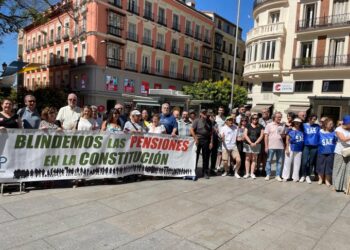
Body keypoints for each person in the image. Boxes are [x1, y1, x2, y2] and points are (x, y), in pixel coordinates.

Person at [190, 109, 213, 179]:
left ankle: (205, 172)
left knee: (206, 157)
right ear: (200, 114)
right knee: (195, 156)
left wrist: (211, 142)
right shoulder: (196, 120)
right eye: (203, 113)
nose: (204, 114)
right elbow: (191, 130)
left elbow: (211, 133)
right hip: (198, 140)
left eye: (205, 113)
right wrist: (195, 138)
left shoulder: (209, 121)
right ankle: (193, 171)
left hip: (206, 140)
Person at [264, 112, 285, 181]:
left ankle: (278, 175)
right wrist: (266, 146)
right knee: (269, 160)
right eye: (278, 117)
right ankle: (268, 174)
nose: (279, 118)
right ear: (274, 117)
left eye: (280, 117)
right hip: (271, 146)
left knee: (279, 161)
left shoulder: (282, 125)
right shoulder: (269, 125)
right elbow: (266, 136)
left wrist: (282, 134)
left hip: (280, 146)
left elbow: (284, 136)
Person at [300, 114, 320, 184]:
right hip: (306, 145)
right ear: (309, 118)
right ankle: (303, 175)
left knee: (311, 162)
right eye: (312, 119)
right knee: (304, 161)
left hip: (314, 146)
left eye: (315, 119)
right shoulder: (304, 125)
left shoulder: (317, 126)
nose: (313, 120)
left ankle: (308, 175)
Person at [282, 118, 304, 182]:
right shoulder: (290, 130)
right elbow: (287, 139)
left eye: (298, 122)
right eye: (296, 122)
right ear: (294, 122)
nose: (297, 123)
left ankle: (295, 177)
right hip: (290, 147)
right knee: (287, 162)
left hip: (299, 148)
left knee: (297, 163)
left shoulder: (302, 130)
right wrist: (287, 148)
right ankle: (285, 176)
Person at [243, 114, 264, 179]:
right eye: (253, 118)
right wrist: (250, 142)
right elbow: (245, 135)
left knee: (254, 159)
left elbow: (261, 136)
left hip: (256, 144)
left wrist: (255, 143)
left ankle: (252, 173)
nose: (255, 120)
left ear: (258, 119)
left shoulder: (261, 126)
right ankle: (247, 173)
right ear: (251, 119)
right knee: (247, 158)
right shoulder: (247, 125)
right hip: (247, 144)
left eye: (256, 118)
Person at [317, 118, 337, 187]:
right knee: (320, 165)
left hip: (331, 152)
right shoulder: (320, 132)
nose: (332, 125)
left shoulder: (334, 133)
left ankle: (327, 180)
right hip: (321, 151)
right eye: (330, 124)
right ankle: (320, 179)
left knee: (329, 166)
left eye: (332, 124)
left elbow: (336, 141)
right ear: (325, 125)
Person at [333, 115, 350, 192]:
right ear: (346, 123)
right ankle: (337, 186)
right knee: (339, 169)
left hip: (349, 151)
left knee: (348, 170)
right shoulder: (338, 129)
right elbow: (343, 139)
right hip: (340, 152)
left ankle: (346, 187)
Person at [258, 108, 272, 176]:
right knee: (258, 156)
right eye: (262, 112)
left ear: (268, 113)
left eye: (265, 112)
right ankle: (257, 170)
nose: (264, 114)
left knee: (265, 156)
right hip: (259, 140)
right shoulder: (259, 120)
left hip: (268, 140)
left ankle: (264, 170)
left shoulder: (271, 121)